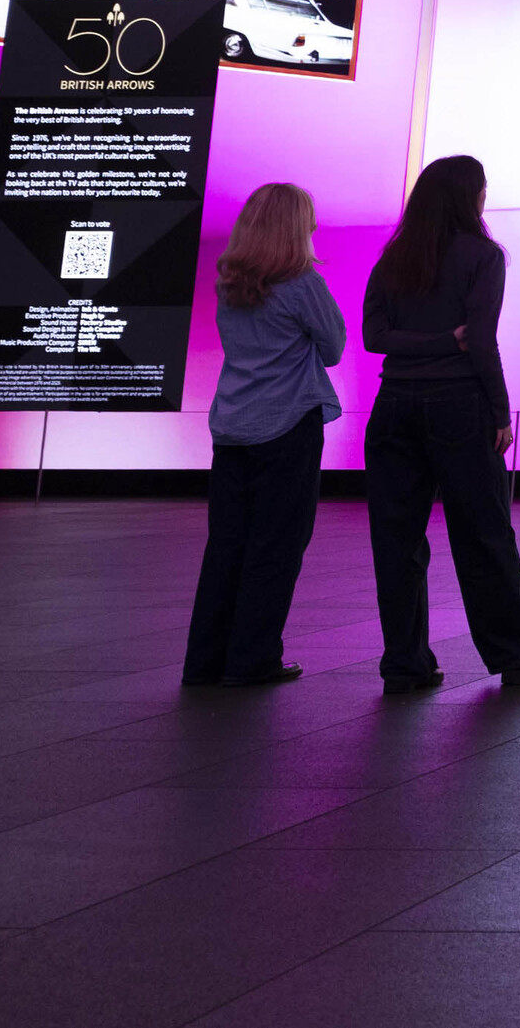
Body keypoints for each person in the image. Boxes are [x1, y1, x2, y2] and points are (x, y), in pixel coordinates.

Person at [361, 156, 520, 691]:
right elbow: (480, 341)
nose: (485, 198)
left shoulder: (393, 258)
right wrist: (499, 411)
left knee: (396, 539)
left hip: (393, 406)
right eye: (482, 190)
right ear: (469, 197)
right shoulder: (484, 255)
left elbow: (374, 337)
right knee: (484, 533)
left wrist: (426, 343)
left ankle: (405, 664)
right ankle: (517, 655)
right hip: (459, 405)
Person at [182, 183, 341, 689]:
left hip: (232, 426)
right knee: (277, 545)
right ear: (296, 227)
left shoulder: (229, 284)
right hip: (287, 426)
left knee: (226, 545)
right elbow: (334, 347)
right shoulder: (303, 284)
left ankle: (205, 662)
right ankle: (252, 659)